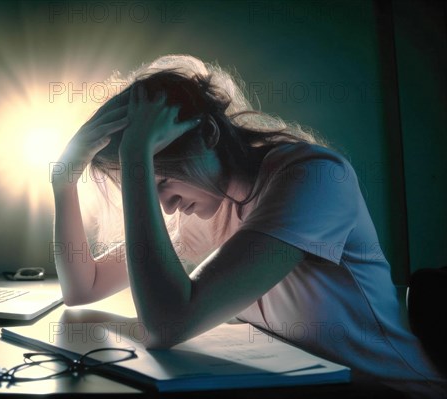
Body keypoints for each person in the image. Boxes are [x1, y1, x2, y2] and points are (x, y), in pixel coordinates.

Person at [51, 55, 446, 396]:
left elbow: (168, 324)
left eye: (164, 181)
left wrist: (137, 156)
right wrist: (64, 180)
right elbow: (83, 287)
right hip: (307, 385)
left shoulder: (315, 179)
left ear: (208, 134)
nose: (167, 206)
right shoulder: (209, 206)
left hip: (394, 389)